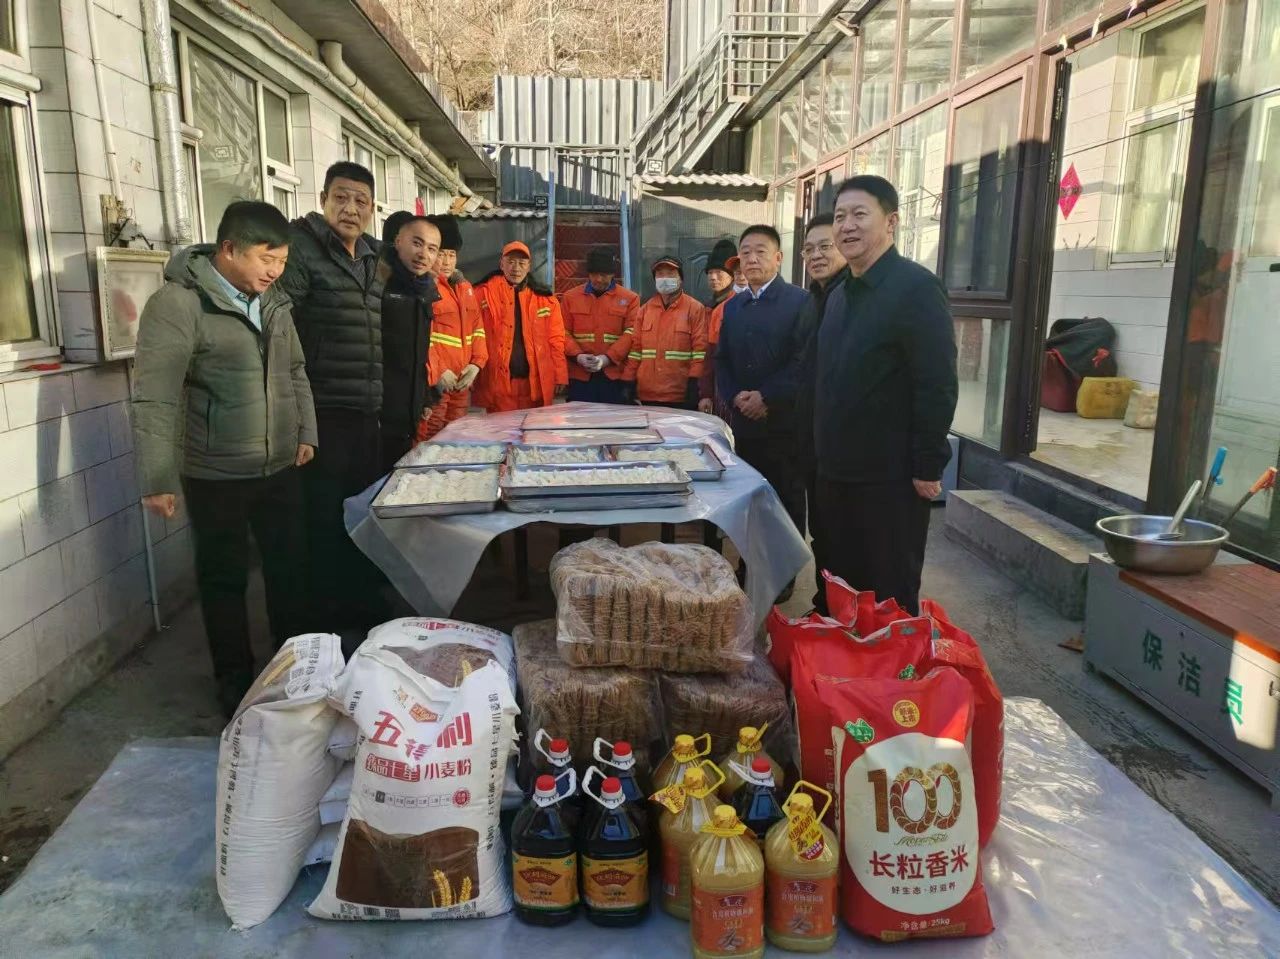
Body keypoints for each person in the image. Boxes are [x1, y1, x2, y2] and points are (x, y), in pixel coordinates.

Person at [132, 200, 315, 717]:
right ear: (229, 249)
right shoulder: (179, 305)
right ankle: (234, 685)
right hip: (215, 472)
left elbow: (295, 370)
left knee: (289, 571)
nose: (274, 271)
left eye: (281, 261)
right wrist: (157, 476)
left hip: (279, 464)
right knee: (224, 581)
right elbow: (155, 395)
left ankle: (295, 672)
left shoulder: (274, 301)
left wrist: (306, 431)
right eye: (266, 259)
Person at [813, 175, 957, 615]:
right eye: (840, 216)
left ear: (891, 221)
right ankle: (842, 657)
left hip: (889, 480)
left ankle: (892, 661)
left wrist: (928, 463)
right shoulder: (839, 296)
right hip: (835, 473)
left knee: (888, 595)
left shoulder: (916, 288)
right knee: (840, 587)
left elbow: (936, 382)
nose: (846, 226)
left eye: (860, 214)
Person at [276, 161, 385, 629]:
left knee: (361, 512)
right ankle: (323, 622)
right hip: (323, 409)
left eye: (361, 201)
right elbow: (280, 323)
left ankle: (358, 607)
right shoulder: (301, 249)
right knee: (322, 518)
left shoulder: (373, 257)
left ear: (372, 209)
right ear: (323, 199)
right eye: (341, 197)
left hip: (365, 408)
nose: (350, 209)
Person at [714, 224, 809, 536]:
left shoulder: (800, 302)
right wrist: (735, 397)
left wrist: (766, 396)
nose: (752, 259)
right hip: (744, 424)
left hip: (784, 424)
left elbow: (804, 360)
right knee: (750, 501)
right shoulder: (733, 307)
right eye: (745, 253)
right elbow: (722, 360)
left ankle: (787, 565)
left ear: (778, 257)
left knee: (785, 503)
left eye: (760, 252)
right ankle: (750, 560)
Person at [792, 212, 850, 612]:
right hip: (813, 439)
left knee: (845, 532)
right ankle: (826, 604)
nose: (816, 255)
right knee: (823, 531)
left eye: (825, 246)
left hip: (845, 444)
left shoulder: (852, 296)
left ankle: (845, 612)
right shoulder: (813, 299)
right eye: (809, 249)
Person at [378, 211, 441, 472]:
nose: (423, 254)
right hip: (379, 412)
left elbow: (417, 353)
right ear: (398, 242)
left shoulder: (424, 291)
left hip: (406, 412)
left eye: (432, 249)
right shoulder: (379, 284)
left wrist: (424, 397)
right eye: (417, 243)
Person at [472, 241, 568, 412]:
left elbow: (556, 341)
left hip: (534, 385)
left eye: (522, 263)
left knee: (535, 428)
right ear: (501, 264)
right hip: (499, 384)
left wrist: (560, 374)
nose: (516, 268)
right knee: (501, 427)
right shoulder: (482, 294)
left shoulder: (546, 299)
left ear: (529, 266)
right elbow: (472, 335)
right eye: (511, 262)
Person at [419, 214, 487, 440]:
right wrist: (437, 371)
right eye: (441, 254)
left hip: (461, 383)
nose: (447, 262)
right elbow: (421, 335)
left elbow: (477, 328)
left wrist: (476, 364)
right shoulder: (424, 287)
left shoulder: (465, 288)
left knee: (457, 437)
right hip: (436, 383)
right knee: (430, 437)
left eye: (452, 255)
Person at [624, 254, 707, 409]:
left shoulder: (695, 309)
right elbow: (635, 351)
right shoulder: (644, 310)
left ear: (681, 279)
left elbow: (700, 352)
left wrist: (694, 384)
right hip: (647, 395)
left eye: (671, 274)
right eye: (660, 274)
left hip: (680, 395)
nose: (665, 278)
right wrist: (628, 381)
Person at [559, 247, 639, 404]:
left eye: (604, 275)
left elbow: (632, 333)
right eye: (594, 274)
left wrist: (607, 358)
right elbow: (562, 332)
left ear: (613, 274)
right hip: (580, 376)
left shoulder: (630, 299)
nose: (598, 279)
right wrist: (578, 356)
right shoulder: (570, 297)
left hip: (614, 376)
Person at [698, 238, 741, 415]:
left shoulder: (736, 306)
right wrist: (705, 393)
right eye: (710, 272)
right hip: (713, 388)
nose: (713, 277)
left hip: (734, 388)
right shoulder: (706, 307)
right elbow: (707, 356)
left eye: (719, 272)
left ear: (732, 275)